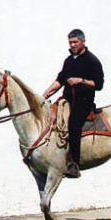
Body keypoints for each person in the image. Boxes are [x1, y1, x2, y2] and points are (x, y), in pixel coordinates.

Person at [43, 28, 104, 178]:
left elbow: (99, 84)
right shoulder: (69, 61)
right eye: (70, 42)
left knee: (73, 125)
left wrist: (81, 81)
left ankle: (74, 164)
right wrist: (45, 94)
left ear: (83, 41)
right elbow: (60, 80)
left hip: (83, 101)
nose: (73, 45)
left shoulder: (92, 61)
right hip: (67, 100)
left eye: (75, 42)